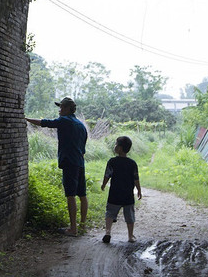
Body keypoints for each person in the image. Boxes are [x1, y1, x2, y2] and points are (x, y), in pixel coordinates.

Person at [25, 97, 88, 236]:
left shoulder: (64, 120)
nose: (59, 110)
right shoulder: (81, 125)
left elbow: (44, 123)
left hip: (69, 162)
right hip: (80, 162)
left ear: (66, 108)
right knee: (82, 194)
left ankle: (73, 229)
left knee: (70, 194)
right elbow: (83, 148)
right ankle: (82, 226)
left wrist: (26, 119)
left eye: (61, 107)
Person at [99, 135, 142, 244]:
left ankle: (108, 232)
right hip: (128, 194)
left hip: (114, 193)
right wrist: (139, 191)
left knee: (110, 213)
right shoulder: (132, 163)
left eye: (116, 144)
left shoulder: (112, 161)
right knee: (130, 216)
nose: (115, 146)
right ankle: (130, 236)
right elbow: (136, 178)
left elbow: (107, 175)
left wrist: (103, 185)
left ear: (120, 148)